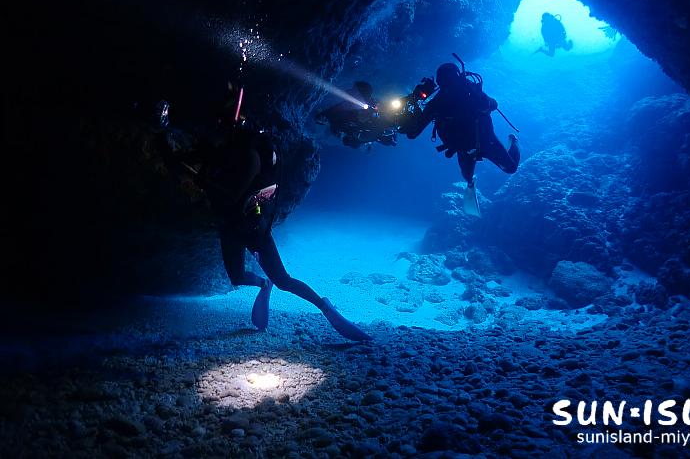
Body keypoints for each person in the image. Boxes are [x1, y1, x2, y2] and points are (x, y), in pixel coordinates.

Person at [161, 101, 371, 341]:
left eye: (220, 125)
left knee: (283, 280)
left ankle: (324, 306)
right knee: (237, 277)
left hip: (252, 226)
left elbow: (234, 196)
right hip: (229, 226)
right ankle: (263, 284)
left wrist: (203, 181)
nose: (216, 130)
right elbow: (181, 159)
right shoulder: (217, 151)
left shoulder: (249, 156)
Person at [404, 62, 520, 215]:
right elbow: (412, 133)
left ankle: (514, 142)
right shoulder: (437, 103)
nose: (450, 87)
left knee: (510, 168)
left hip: (486, 142)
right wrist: (412, 103)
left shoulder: (471, 92)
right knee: (469, 178)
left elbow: (493, 104)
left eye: (450, 81)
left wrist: (483, 100)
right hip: (463, 149)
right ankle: (471, 183)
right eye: (446, 82)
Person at [315, 81, 397, 148]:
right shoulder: (345, 106)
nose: (355, 96)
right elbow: (328, 114)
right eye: (354, 93)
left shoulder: (374, 108)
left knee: (382, 138)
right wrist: (322, 118)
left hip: (366, 132)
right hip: (354, 130)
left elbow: (386, 124)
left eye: (358, 93)